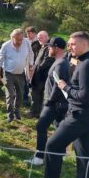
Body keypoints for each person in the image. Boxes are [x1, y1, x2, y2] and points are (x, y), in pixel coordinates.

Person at [33, 31, 89, 178]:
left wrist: (65, 86)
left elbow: (85, 97)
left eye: (73, 44)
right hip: (88, 113)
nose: (69, 46)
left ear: (85, 45)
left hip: (79, 114)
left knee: (53, 145)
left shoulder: (86, 65)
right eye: (69, 43)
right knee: (83, 149)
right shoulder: (88, 61)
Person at [26, 37, 69, 166]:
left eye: (50, 47)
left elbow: (58, 85)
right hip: (59, 103)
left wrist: (49, 102)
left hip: (54, 103)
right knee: (59, 128)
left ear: (56, 48)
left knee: (41, 126)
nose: (48, 49)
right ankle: (60, 154)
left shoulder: (60, 64)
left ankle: (39, 157)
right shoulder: (58, 61)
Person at [0, 29, 34, 122]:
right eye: (18, 40)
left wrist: (30, 65)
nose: (20, 41)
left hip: (21, 73)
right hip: (8, 74)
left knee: (20, 94)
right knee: (10, 94)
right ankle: (10, 115)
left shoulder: (26, 42)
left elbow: (31, 53)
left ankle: (17, 111)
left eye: (21, 39)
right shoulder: (6, 46)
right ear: (12, 38)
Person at [29, 31, 55, 118]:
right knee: (38, 95)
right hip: (39, 75)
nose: (38, 38)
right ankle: (37, 113)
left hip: (41, 76)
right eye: (38, 36)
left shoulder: (48, 48)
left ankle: (34, 112)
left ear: (46, 37)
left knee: (36, 94)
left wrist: (36, 68)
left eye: (41, 36)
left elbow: (47, 61)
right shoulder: (43, 46)